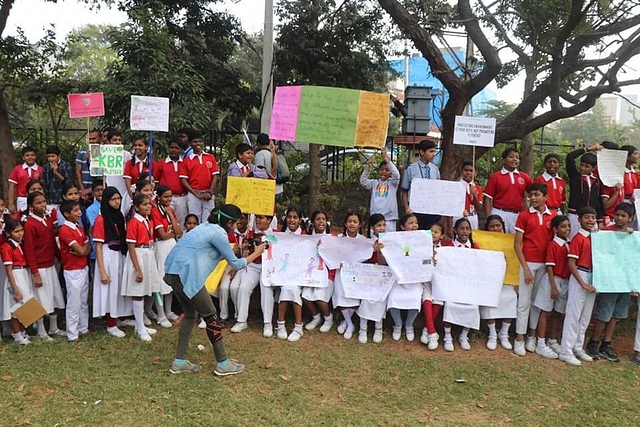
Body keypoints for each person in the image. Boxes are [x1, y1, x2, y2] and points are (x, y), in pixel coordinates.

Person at [163, 204, 265, 376]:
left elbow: (211, 250)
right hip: (188, 276)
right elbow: (237, 264)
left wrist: (238, 249)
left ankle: (179, 361)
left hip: (172, 272)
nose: (236, 226)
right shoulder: (219, 234)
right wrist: (257, 252)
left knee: (190, 315)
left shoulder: (204, 227)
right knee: (211, 317)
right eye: (235, 223)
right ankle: (223, 363)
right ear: (230, 222)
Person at [586, 203, 634, 362]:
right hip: (609, 280)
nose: (619, 218)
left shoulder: (632, 236)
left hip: (624, 282)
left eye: (624, 216)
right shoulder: (605, 233)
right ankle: (593, 342)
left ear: (630, 218)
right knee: (604, 313)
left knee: (616, 314)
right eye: (617, 215)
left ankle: (606, 343)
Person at [513, 183, 557, 356]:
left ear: (545, 197)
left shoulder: (553, 216)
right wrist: (525, 268)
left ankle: (532, 336)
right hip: (528, 263)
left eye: (536, 194)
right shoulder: (524, 216)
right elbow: (517, 245)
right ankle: (519, 338)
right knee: (524, 302)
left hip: (545, 265)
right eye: (530, 195)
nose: (532, 198)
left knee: (537, 302)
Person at [22, 192, 66, 340]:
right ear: (31, 206)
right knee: (41, 299)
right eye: (38, 203)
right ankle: (41, 330)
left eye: (44, 202)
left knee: (54, 296)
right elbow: (29, 250)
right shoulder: (29, 225)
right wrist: (35, 272)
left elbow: (53, 243)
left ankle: (54, 327)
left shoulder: (47, 220)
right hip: (39, 268)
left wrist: (61, 258)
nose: (42, 205)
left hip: (50, 264)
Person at [559, 206, 598, 366]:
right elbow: (571, 263)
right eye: (587, 217)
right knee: (573, 314)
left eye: (593, 217)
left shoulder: (595, 238)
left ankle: (577, 346)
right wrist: (582, 283)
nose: (590, 220)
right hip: (580, 275)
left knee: (585, 316)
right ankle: (565, 351)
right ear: (579, 219)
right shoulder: (578, 238)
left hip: (593, 275)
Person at [121, 194, 163, 342]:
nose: (148, 207)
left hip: (147, 253)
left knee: (145, 290)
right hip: (138, 255)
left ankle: (141, 326)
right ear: (136, 207)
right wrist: (137, 268)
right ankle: (139, 327)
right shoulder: (133, 222)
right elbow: (131, 246)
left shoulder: (147, 221)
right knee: (138, 291)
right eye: (144, 204)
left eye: (149, 204)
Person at [92, 187, 133, 338]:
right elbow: (97, 246)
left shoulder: (119, 217)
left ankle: (120, 316)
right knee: (110, 290)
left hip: (119, 254)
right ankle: (110, 324)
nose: (117, 202)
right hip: (107, 254)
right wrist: (102, 270)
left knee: (118, 288)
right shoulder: (101, 219)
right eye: (113, 199)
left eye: (118, 199)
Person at [532, 215, 571, 359]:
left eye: (568, 226)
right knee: (545, 311)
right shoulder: (553, 245)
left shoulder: (568, 244)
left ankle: (552, 339)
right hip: (552, 280)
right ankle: (541, 343)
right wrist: (553, 286)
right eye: (563, 226)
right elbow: (549, 267)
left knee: (558, 312)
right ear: (555, 229)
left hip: (565, 281)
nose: (567, 229)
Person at [478, 215, 517, 351]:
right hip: (489, 280)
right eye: (492, 226)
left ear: (503, 226)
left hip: (507, 280)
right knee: (489, 299)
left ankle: (504, 333)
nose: (495, 229)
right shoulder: (481, 241)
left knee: (511, 297)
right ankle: (493, 333)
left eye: (498, 226)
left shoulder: (510, 242)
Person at [441, 217, 480, 351]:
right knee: (449, 305)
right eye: (461, 228)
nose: (464, 231)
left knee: (474, 306)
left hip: (469, 286)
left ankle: (464, 335)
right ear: (455, 230)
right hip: (451, 285)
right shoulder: (446, 245)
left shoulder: (475, 247)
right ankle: (447, 335)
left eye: (467, 229)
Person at [58, 200, 92, 343]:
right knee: (74, 303)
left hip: (83, 267)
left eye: (79, 210)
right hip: (72, 270)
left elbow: (87, 247)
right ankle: (72, 334)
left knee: (83, 301)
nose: (79, 213)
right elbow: (81, 249)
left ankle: (83, 327)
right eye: (76, 210)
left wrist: (83, 250)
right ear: (67, 214)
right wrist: (83, 249)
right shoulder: (65, 230)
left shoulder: (79, 227)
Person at [387, 213, 424, 342]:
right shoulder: (394, 240)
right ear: (402, 226)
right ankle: (398, 324)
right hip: (398, 278)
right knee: (393, 298)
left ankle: (409, 325)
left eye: (416, 222)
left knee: (415, 298)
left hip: (415, 278)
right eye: (411, 223)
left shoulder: (423, 240)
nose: (415, 225)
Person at [151, 186, 183, 326]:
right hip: (161, 247)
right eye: (165, 197)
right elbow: (162, 235)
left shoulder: (171, 211)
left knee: (170, 280)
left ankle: (169, 311)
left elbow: (179, 232)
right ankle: (161, 314)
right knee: (160, 280)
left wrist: (170, 215)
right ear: (158, 197)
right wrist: (173, 234)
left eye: (170, 196)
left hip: (172, 246)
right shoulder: (155, 211)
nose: (169, 199)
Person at [333, 211, 366, 340]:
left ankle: (346, 321)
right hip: (341, 272)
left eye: (355, 221)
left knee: (354, 297)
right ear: (345, 224)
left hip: (357, 273)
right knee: (341, 294)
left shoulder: (363, 241)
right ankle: (350, 323)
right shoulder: (339, 238)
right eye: (349, 221)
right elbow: (332, 254)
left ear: (359, 225)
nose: (352, 224)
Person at [483, 147, 532, 233]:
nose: (514, 159)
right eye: (511, 157)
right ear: (504, 160)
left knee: (514, 241)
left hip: (517, 215)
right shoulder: (496, 177)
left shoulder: (524, 177)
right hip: (499, 213)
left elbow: (535, 193)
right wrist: (488, 218)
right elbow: (487, 198)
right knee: (497, 240)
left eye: (517, 157)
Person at [276, 207, 307, 342]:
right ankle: (281, 325)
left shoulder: (306, 236)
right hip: (283, 273)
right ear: (285, 219)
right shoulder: (279, 235)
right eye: (289, 217)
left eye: (295, 217)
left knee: (292, 289)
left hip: (299, 274)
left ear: (300, 220)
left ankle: (298, 326)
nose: (292, 220)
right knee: (286, 288)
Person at [1, 219, 34, 345]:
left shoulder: (20, 244)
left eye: (21, 230)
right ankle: (17, 335)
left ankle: (22, 331)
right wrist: (15, 289)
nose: (20, 234)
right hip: (15, 275)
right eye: (16, 231)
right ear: (9, 233)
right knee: (16, 307)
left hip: (23, 273)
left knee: (24, 305)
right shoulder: (7, 247)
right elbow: (9, 271)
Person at [356, 213, 388, 344]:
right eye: (378, 225)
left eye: (384, 225)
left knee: (380, 297)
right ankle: (362, 328)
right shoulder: (365, 241)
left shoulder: (388, 241)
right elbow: (361, 259)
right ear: (372, 227)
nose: (382, 228)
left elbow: (382, 263)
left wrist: (380, 251)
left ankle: (378, 327)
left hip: (382, 273)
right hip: (368, 273)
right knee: (366, 297)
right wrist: (372, 250)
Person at [302, 210, 334, 334]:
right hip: (311, 272)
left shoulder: (332, 238)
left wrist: (326, 247)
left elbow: (335, 256)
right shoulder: (307, 238)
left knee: (321, 298)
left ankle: (328, 318)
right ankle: (316, 317)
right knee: (306, 296)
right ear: (313, 222)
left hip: (327, 274)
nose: (321, 221)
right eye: (318, 219)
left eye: (323, 219)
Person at [401, 139, 441, 230]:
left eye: (434, 151)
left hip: (432, 210)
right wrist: (407, 207)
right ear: (422, 152)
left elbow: (438, 190)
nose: (433, 154)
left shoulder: (435, 169)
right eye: (431, 151)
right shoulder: (411, 169)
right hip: (416, 210)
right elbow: (404, 190)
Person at [180, 132, 220, 223]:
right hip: (194, 194)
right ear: (190, 144)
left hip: (208, 193)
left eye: (200, 141)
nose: (198, 144)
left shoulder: (210, 157)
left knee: (208, 219)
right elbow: (183, 180)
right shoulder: (186, 160)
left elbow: (215, 175)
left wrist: (210, 191)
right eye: (195, 142)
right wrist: (196, 193)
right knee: (194, 219)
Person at [566, 143, 602, 238]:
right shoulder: (575, 177)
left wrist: (600, 219)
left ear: (594, 168)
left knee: (591, 244)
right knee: (573, 241)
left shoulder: (597, 181)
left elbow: (597, 201)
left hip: (591, 218)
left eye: (587, 166)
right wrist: (588, 149)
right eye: (581, 165)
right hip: (575, 215)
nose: (582, 168)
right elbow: (570, 157)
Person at [360, 150, 400, 231]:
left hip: (389, 218)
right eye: (382, 169)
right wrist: (369, 166)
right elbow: (363, 181)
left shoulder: (393, 183)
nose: (384, 171)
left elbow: (396, 174)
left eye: (387, 170)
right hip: (375, 218)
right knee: (375, 241)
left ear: (391, 173)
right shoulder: (374, 183)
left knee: (389, 241)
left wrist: (385, 158)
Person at [419, 222, 445, 350]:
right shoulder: (423, 247)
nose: (433, 234)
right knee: (427, 297)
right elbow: (418, 261)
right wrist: (429, 261)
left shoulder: (446, 247)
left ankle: (427, 329)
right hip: (426, 280)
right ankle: (433, 333)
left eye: (436, 232)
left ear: (442, 235)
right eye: (431, 231)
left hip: (440, 281)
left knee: (439, 299)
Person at [156, 139, 189, 230]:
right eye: (171, 147)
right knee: (167, 220)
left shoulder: (185, 163)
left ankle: (181, 242)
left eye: (177, 148)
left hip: (182, 197)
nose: (174, 150)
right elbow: (156, 181)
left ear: (181, 150)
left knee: (182, 222)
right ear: (168, 149)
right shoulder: (162, 163)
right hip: (166, 199)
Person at [7, 146, 42, 215]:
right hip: (22, 199)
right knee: (23, 218)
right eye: (27, 155)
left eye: (32, 155)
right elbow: (12, 186)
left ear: (35, 156)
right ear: (23, 157)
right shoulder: (17, 169)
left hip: (38, 198)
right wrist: (11, 204)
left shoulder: (41, 169)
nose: (30, 157)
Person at [453, 161, 483, 230]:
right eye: (466, 170)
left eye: (471, 171)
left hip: (473, 217)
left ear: (475, 173)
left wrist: (475, 196)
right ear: (461, 171)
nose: (468, 173)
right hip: (459, 217)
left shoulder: (478, 188)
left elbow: (479, 208)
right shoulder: (455, 186)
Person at [253, 133, 283, 200]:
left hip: (268, 190)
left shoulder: (260, 154)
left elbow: (260, 174)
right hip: (279, 189)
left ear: (258, 143)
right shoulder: (274, 154)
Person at [76, 129, 101, 201]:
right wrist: (82, 189)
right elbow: (78, 171)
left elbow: (101, 175)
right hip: (84, 189)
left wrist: (90, 190)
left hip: (99, 190)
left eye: (94, 138)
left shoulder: (104, 151)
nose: (92, 141)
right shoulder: (82, 151)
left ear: (100, 138)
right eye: (90, 139)